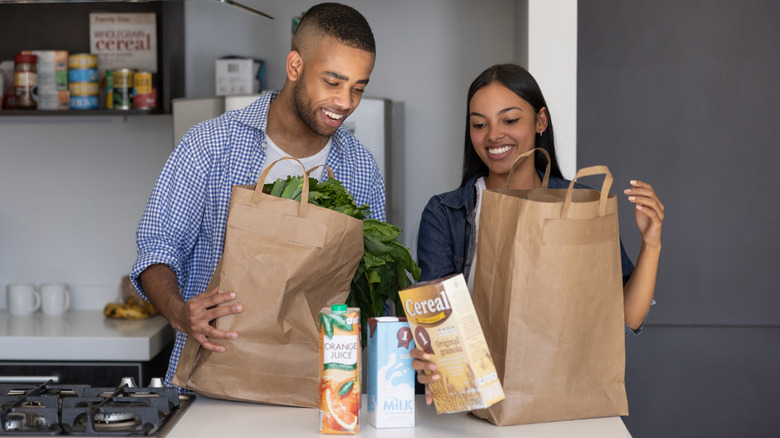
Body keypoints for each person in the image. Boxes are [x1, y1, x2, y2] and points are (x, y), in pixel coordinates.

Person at [129, 3, 384, 388]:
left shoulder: (360, 167)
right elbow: (157, 249)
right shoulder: (210, 145)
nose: (345, 102)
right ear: (295, 66)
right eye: (332, 82)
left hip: (317, 393)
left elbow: (371, 286)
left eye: (357, 88)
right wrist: (181, 313)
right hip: (210, 388)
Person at [412, 63, 664, 403]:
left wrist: (651, 243)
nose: (493, 135)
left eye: (510, 120)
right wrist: (431, 359)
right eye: (479, 124)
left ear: (540, 121)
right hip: (474, 401)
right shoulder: (445, 213)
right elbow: (440, 328)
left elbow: (628, 315)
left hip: (562, 396)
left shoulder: (580, 205)